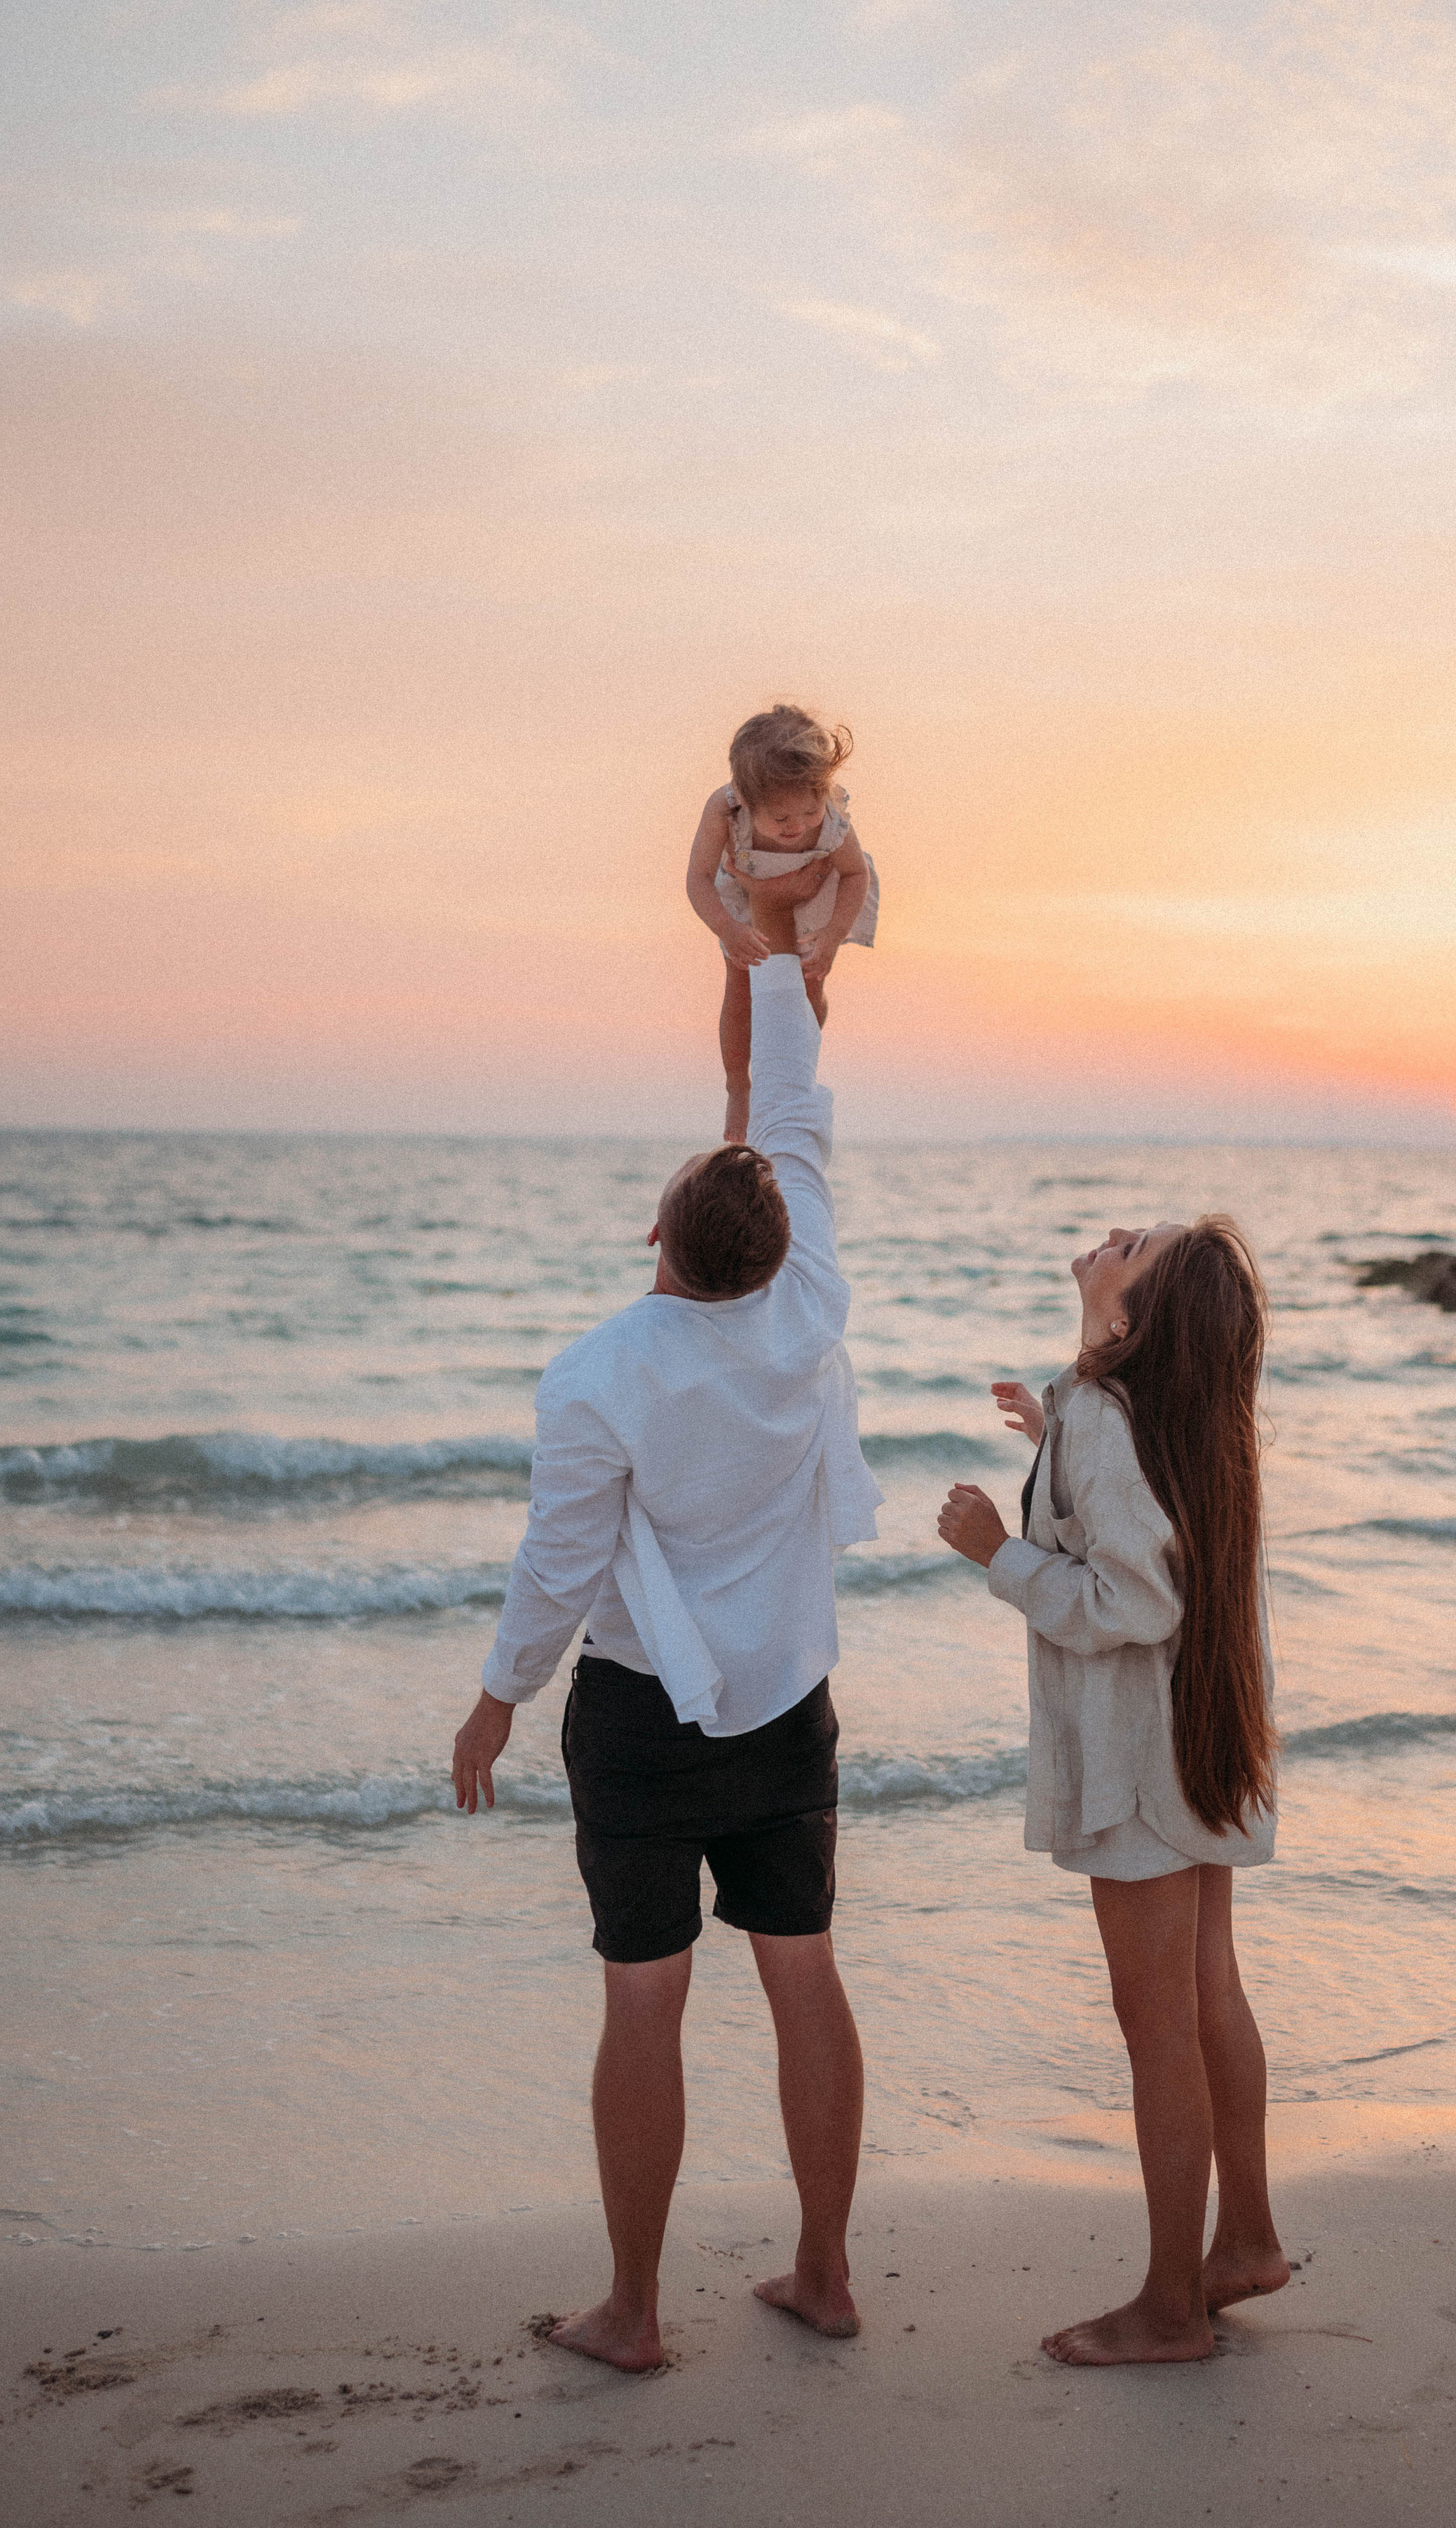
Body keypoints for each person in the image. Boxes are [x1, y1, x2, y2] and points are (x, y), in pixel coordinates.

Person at [451, 886, 883, 2374]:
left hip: (641, 1721)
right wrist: (765, 959)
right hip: (785, 1708)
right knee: (802, 1970)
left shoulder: (596, 1372)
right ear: (772, 1247)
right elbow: (796, 1113)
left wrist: (497, 1699)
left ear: (657, 1233)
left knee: (646, 2000)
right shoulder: (807, 1304)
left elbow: (558, 1565)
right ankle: (823, 2272)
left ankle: (633, 2312)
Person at [937, 1219, 1287, 2368]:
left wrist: (998, 1548)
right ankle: (1243, 2240)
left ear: (1136, 1320)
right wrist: (1056, 1438)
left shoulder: (1107, 1414)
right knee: (1209, 1991)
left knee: (1159, 2028)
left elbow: (1133, 1598)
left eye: (1141, 1246)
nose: (1118, 1233)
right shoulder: (1160, 1413)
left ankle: (1172, 2307)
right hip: (1204, 1739)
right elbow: (1144, 1521)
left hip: (1141, 1760)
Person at [685, 704, 878, 1142]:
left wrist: (831, 938)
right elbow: (697, 878)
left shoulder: (829, 815)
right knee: (741, 988)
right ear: (746, 800)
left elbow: (855, 874)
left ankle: (796, 1065)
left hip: (818, 902)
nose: (798, 826)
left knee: (808, 986)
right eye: (780, 819)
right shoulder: (724, 808)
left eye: (807, 814)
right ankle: (739, 1085)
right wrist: (727, 929)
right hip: (743, 900)